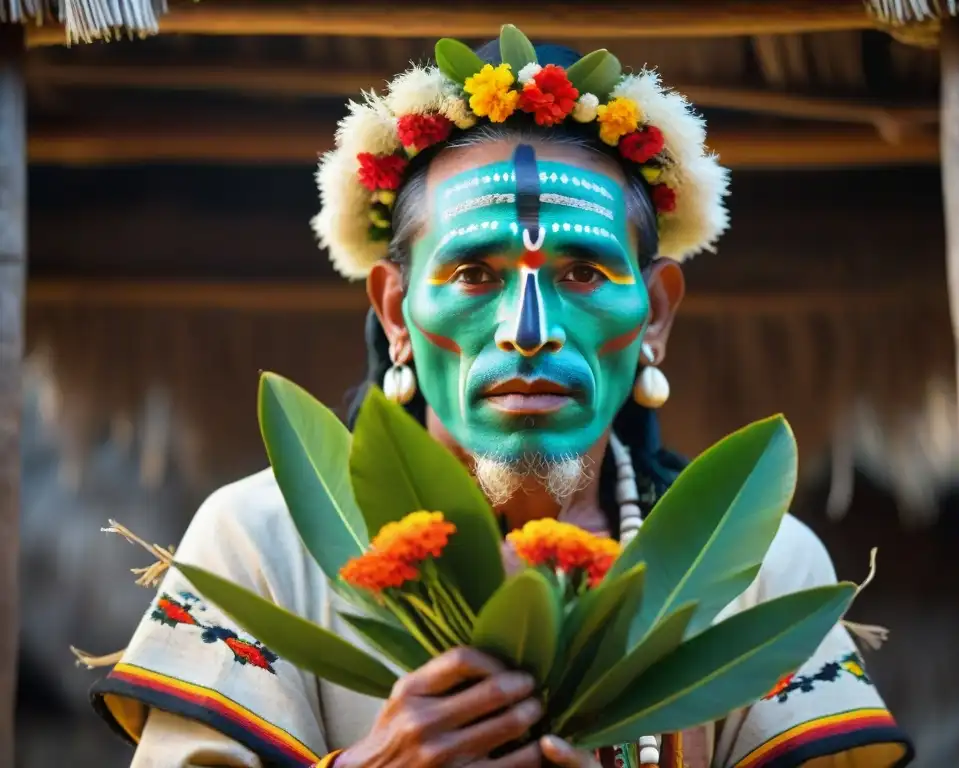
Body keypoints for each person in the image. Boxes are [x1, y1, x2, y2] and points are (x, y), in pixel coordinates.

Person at [90, 30, 915, 768]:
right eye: (474, 274)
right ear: (395, 313)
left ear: (655, 316)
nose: (530, 330)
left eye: (584, 273)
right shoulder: (266, 545)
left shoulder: (759, 568)